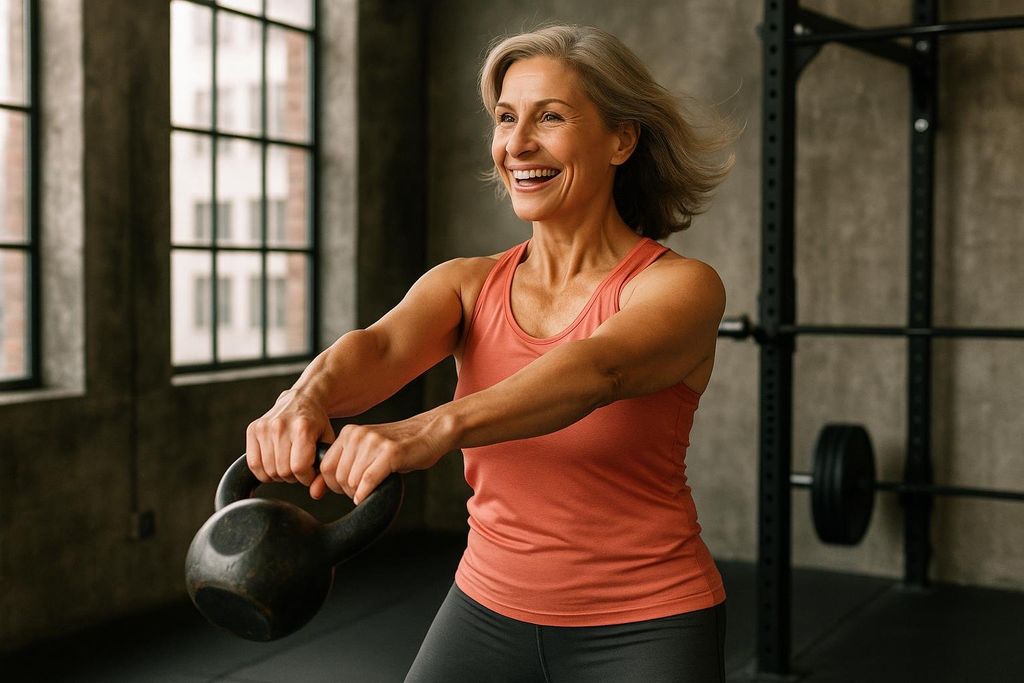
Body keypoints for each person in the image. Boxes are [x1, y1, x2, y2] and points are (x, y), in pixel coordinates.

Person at [246, 23, 737, 683]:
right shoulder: (466, 284)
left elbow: (597, 370)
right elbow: (380, 346)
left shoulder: (680, 287)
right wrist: (303, 399)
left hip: (645, 622)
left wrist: (428, 429)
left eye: (550, 116)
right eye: (506, 118)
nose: (518, 143)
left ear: (621, 139)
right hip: (484, 608)